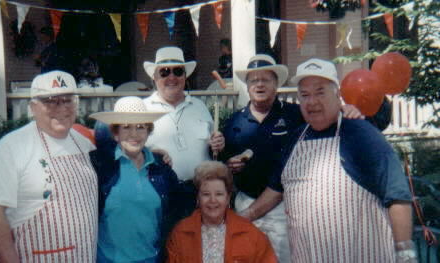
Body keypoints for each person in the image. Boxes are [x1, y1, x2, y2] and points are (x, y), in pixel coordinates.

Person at [245, 58, 416, 262]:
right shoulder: (294, 139)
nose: (312, 102)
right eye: (305, 95)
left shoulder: (362, 135)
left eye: (320, 92)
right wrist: (239, 217)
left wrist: (405, 252)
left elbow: (397, 196)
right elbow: (274, 191)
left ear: (337, 94)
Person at [221, 54, 362, 262]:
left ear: (276, 83)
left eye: (265, 79)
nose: (259, 84)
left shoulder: (296, 114)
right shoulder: (234, 121)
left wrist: (346, 109)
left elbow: (327, 117)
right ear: (247, 85)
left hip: (284, 206)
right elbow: (225, 163)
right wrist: (229, 164)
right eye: (254, 80)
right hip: (246, 204)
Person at [0, 70, 98, 262]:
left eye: (68, 100)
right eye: (50, 101)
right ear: (33, 107)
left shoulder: (84, 142)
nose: (61, 108)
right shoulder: (12, 147)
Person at [90, 96, 179, 263]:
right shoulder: (100, 166)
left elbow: (178, 207)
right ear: (115, 134)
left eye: (140, 127)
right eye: (126, 127)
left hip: (151, 259)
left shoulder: (160, 168)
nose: (134, 134)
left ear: (148, 131)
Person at [142, 46, 225, 218]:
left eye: (178, 71)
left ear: (185, 76)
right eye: (164, 72)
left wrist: (217, 144)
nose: (171, 77)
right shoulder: (143, 109)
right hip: (162, 194)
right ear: (154, 76)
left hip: (199, 194)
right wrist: (149, 153)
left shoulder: (199, 106)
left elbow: (213, 148)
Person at [166, 161, 277, 263]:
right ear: (198, 198)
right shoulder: (180, 233)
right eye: (206, 194)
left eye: (219, 194)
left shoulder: (251, 233)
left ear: (228, 197)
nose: (212, 200)